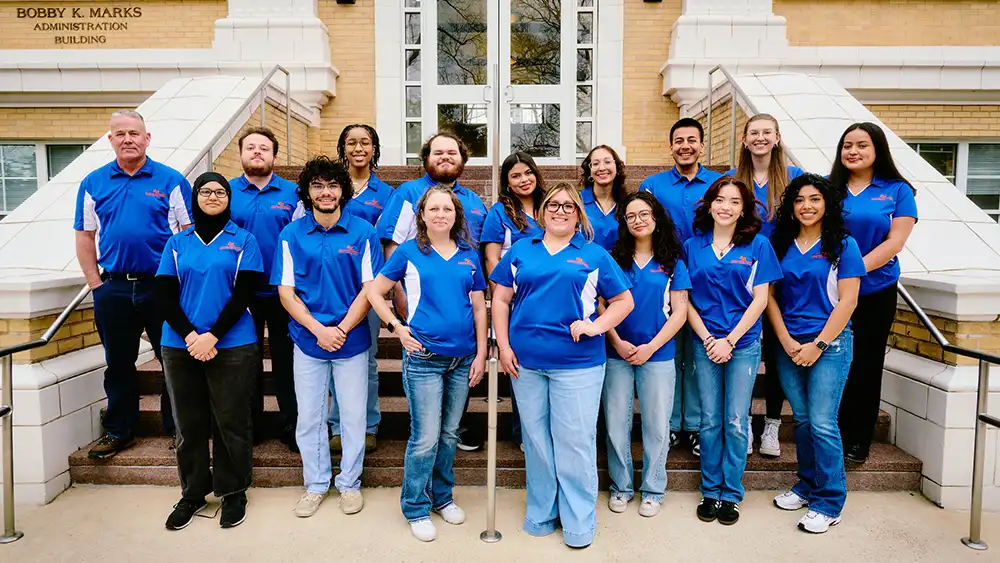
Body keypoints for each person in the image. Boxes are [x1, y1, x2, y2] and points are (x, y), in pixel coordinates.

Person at [491, 183, 634, 548]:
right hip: (526, 364)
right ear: (543, 212)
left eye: (569, 206)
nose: (560, 211)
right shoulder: (522, 250)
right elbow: (501, 300)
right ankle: (541, 514)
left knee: (574, 443)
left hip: (578, 364)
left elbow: (623, 301)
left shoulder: (593, 254)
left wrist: (596, 326)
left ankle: (578, 523)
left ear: (578, 215)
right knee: (536, 443)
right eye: (554, 204)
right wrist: (503, 346)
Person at [367, 186, 488, 542]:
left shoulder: (469, 254)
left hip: (463, 359)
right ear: (422, 214)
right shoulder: (408, 252)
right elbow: (375, 292)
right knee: (425, 438)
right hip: (424, 359)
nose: (440, 214)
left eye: (447, 209)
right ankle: (415, 506)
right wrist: (397, 327)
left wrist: (482, 353)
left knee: (449, 434)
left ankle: (442, 497)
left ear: (456, 215)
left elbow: (478, 307)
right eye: (433, 209)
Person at [75, 109, 191, 459]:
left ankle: (178, 428)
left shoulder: (171, 180)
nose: (128, 139)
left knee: (171, 359)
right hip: (113, 288)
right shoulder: (93, 182)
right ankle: (119, 430)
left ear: (147, 138)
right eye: (120, 134)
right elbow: (85, 235)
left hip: (161, 287)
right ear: (110, 139)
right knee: (118, 363)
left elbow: (188, 235)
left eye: (134, 133)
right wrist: (96, 284)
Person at [272, 156, 383, 518]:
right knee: (309, 417)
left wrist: (342, 329)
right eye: (317, 186)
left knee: (352, 417)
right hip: (308, 340)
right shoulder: (291, 234)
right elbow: (286, 292)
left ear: (343, 190)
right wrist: (319, 330)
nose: (325, 192)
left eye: (333, 185)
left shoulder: (363, 232)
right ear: (307, 192)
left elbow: (369, 289)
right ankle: (316, 484)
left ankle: (349, 483)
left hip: (351, 340)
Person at [156, 172, 262, 531]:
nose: (213, 196)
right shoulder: (177, 243)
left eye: (220, 192)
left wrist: (212, 336)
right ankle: (193, 493)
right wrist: (192, 336)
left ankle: (233, 492)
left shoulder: (243, 240)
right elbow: (164, 294)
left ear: (229, 199)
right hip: (180, 344)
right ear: (195, 197)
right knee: (188, 423)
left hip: (233, 343)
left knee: (231, 420)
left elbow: (244, 294)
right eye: (206, 191)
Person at [765, 174, 866, 534]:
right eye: (799, 200)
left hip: (830, 344)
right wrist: (785, 340)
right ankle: (807, 485)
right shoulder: (779, 243)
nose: (806, 206)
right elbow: (769, 297)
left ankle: (829, 502)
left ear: (827, 204)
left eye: (814, 199)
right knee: (804, 420)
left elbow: (849, 300)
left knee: (823, 422)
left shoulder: (843, 244)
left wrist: (819, 344)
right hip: (788, 343)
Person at [376, 132, 487, 450]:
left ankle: (452, 428)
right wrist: (398, 292)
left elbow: (475, 254)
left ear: (462, 159)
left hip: (459, 302)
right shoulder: (408, 192)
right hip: (420, 297)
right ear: (426, 157)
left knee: (458, 371)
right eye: (438, 152)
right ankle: (426, 434)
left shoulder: (473, 201)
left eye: (452, 152)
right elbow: (393, 242)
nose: (445, 157)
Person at [685, 176, 781, 526]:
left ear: (744, 210)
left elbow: (760, 300)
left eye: (735, 202)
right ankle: (710, 490)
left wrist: (730, 340)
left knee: (737, 421)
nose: (726, 207)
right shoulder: (692, 246)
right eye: (720, 200)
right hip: (704, 342)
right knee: (710, 420)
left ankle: (731, 493)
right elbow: (684, 300)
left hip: (743, 344)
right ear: (709, 204)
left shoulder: (758, 246)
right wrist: (709, 339)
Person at [830, 122, 917, 465]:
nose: (853, 151)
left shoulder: (897, 190)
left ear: (877, 149)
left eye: (862, 145)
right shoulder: (829, 189)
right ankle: (830, 434)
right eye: (847, 145)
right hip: (831, 292)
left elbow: (895, 242)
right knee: (833, 362)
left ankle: (857, 439)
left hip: (875, 289)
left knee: (865, 364)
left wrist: (853, 271)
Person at [603, 191, 690, 518]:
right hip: (617, 353)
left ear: (656, 218)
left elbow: (680, 313)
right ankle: (621, 486)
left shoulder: (673, 262)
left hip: (658, 354)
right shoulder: (613, 259)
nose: (638, 221)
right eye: (631, 216)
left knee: (656, 425)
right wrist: (616, 341)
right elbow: (601, 305)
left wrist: (651, 347)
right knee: (616, 424)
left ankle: (653, 489)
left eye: (643, 214)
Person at [640, 118, 723, 457]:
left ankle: (696, 425)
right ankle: (672, 423)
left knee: (698, 354)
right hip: (666, 275)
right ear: (671, 146)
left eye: (691, 140)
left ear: (702, 145)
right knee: (671, 353)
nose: (685, 146)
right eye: (679, 140)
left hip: (708, 277)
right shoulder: (653, 184)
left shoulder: (718, 183)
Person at [726, 113, 804, 458]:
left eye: (766, 132)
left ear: (777, 137)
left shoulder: (794, 178)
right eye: (753, 133)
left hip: (782, 276)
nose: (760, 138)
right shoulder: (733, 179)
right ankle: (740, 422)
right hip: (740, 276)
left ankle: (771, 423)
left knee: (774, 352)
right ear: (744, 140)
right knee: (742, 348)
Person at [228, 127, 299, 452]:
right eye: (251, 147)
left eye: (264, 148)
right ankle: (251, 427)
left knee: (287, 362)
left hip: (284, 292)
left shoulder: (293, 193)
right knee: (247, 362)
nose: (257, 152)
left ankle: (292, 425)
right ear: (241, 153)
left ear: (274, 155)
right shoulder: (226, 192)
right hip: (241, 294)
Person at [329, 124, 394, 454]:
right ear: (343, 148)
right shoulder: (332, 186)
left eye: (365, 142)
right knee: (331, 353)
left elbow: (389, 242)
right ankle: (337, 424)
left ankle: (368, 424)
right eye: (351, 142)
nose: (358, 148)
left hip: (367, 288)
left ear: (374, 148)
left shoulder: (387, 194)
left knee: (365, 358)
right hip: (330, 284)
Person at [479, 151, 545, 450]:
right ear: (507, 182)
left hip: (549, 296)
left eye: (527, 172)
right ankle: (523, 432)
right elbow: (492, 258)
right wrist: (503, 293)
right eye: (515, 175)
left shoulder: (549, 204)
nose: (524, 179)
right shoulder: (499, 212)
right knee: (520, 363)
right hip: (516, 299)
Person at [579, 145, 627, 251]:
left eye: (607, 162)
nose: (602, 168)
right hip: (585, 260)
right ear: (589, 170)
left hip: (619, 261)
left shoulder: (627, 204)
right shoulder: (577, 201)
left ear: (617, 167)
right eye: (596, 163)